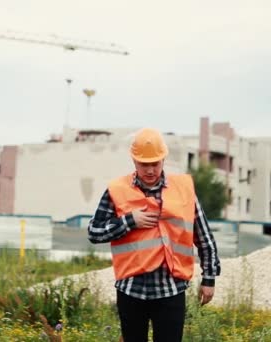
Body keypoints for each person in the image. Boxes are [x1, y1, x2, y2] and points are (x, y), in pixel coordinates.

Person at [88, 127, 221, 342]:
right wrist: (129, 221)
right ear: (134, 161)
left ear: (163, 160)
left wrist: (209, 278)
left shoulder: (183, 189)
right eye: (144, 164)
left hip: (171, 289)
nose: (150, 170)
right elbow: (94, 232)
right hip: (131, 290)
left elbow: (204, 237)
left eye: (155, 164)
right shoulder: (117, 190)